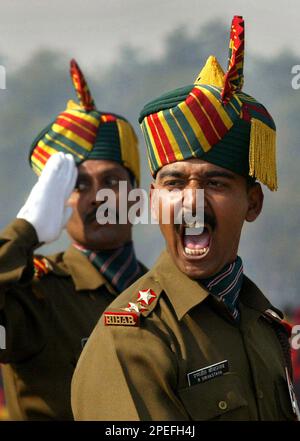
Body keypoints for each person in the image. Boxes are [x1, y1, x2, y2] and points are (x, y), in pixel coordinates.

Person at [71, 16, 298, 421]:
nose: (192, 203)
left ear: (253, 202)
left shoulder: (264, 325)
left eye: (215, 183)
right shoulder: (133, 338)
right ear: (154, 201)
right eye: (174, 184)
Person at [0, 59, 146, 420]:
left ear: (138, 197)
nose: (98, 196)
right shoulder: (34, 293)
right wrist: (25, 231)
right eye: (79, 185)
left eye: (113, 181)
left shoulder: (167, 292)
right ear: (57, 202)